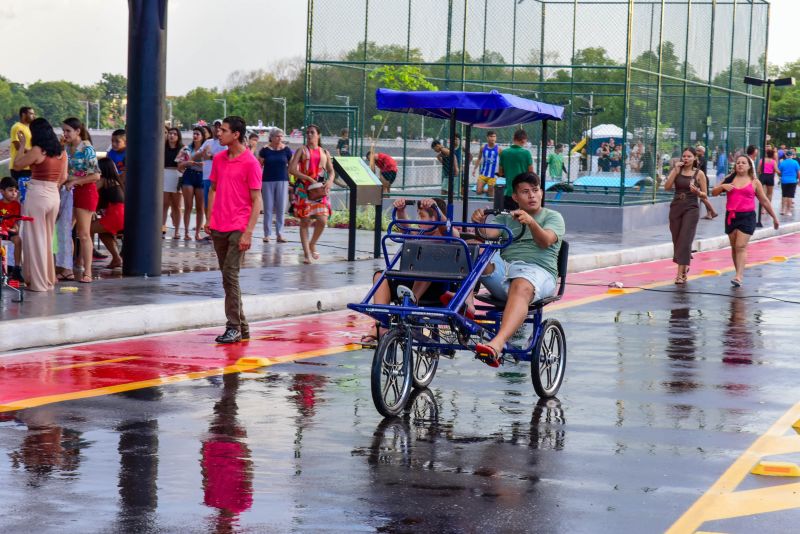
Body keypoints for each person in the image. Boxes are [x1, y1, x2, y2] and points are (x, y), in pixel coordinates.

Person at [470, 172, 565, 365]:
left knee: (521, 284)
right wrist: (479, 224)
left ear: (541, 193)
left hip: (539, 273)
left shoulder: (553, 217)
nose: (531, 195)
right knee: (472, 247)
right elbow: (487, 235)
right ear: (515, 197)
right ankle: (467, 305)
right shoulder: (507, 218)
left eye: (535, 190)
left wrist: (531, 222)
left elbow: (545, 241)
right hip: (506, 271)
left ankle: (497, 343)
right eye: (525, 192)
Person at [361, 197, 457, 344]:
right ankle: (380, 323)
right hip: (410, 283)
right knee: (380, 276)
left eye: (422, 216)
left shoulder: (447, 236)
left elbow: (450, 231)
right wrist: (401, 211)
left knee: (427, 264)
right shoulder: (419, 234)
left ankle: (411, 306)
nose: (419, 220)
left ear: (436, 217)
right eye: (418, 215)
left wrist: (437, 211)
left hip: (436, 288)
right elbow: (404, 227)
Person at [204, 116, 263, 344]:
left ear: (236, 134)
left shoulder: (251, 163)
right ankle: (243, 327)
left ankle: (234, 327)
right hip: (219, 225)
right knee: (227, 277)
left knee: (230, 274)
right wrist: (209, 218)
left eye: (224, 130)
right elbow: (213, 190)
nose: (219, 134)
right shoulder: (219, 159)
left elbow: (257, 200)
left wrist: (248, 232)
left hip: (239, 226)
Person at [10, 118, 66, 291]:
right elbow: (63, 177)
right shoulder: (61, 151)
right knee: (47, 239)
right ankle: (48, 280)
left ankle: (38, 283)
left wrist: (21, 146)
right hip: (53, 195)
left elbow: (18, 165)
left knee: (35, 239)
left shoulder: (37, 149)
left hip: (37, 195)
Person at [712, 155, 779, 287]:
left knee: (740, 246)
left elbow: (764, 200)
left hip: (747, 217)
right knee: (733, 247)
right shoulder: (729, 179)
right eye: (738, 163)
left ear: (749, 166)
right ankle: (738, 272)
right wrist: (723, 187)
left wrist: (774, 218)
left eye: (743, 163)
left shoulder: (755, 182)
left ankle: (739, 276)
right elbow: (714, 192)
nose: (740, 165)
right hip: (731, 216)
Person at [288, 124, 334, 264]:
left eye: (312, 132)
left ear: (318, 135)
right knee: (305, 221)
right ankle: (307, 253)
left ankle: (312, 243)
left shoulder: (324, 152)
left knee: (322, 219)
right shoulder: (302, 150)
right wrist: (307, 178)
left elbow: (331, 171)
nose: (309, 135)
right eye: (307, 133)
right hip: (304, 190)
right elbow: (291, 169)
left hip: (319, 190)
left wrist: (330, 181)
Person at [62, 117, 100, 283]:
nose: (65, 134)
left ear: (78, 131)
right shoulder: (68, 147)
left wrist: (74, 181)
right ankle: (67, 268)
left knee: (83, 233)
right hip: (71, 191)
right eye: (63, 130)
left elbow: (96, 175)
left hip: (85, 191)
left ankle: (88, 272)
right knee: (64, 230)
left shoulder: (87, 148)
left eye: (68, 131)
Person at [664, 147, 709, 284]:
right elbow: (666, 187)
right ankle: (685, 261)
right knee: (678, 240)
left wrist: (698, 192)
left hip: (691, 208)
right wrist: (674, 171)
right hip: (676, 207)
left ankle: (680, 274)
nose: (686, 159)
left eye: (689, 156)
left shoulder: (699, 174)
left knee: (684, 238)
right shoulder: (677, 171)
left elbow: (705, 194)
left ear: (695, 158)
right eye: (684, 156)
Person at [257, 128, 292, 243]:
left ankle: (280, 234)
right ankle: (267, 234)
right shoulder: (265, 150)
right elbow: (258, 166)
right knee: (268, 208)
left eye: (281, 136)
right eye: (277, 136)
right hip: (267, 181)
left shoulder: (287, 150)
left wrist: (291, 182)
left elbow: (291, 167)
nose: (280, 138)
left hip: (283, 180)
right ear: (271, 137)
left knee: (281, 208)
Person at [89, 158, 125, 270]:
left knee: (87, 229)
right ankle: (116, 258)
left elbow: (91, 191)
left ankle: (85, 258)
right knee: (103, 233)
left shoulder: (104, 180)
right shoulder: (115, 182)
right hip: (121, 216)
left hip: (115, 216)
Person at [177, 127, 206, 241]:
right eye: (194, 133)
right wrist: (187, 163)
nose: (195, 136)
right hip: (189, 175)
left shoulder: (206, 149)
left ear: (202, 136)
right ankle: (186, 232)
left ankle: (198, 232)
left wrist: (203, 164)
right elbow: (179, 167)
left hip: (201, 176)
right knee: (188, 206)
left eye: (197, 134)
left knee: (200, 207)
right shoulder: (186, 149)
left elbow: (212, 163)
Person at [498, 129, 533, 210]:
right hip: (524, 194)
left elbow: (500, 173)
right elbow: (531, 173)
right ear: (524, 140)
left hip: (509, 193)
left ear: (514, 138)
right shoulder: (526, 153)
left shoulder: (504, 153)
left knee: (509, 218)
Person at [9, 106, 36, 203]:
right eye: (31, 113)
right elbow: (17, 145)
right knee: (17, 194)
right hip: (19, 167)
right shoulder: (17, 127)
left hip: (29, 166)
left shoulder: (30, 128)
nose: (34, 116)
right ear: (24, 115)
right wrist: (33, 153)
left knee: (29, 196)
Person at [0, 177, 23, 281]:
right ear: (2, 191)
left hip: (9, 232)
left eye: (15, 191)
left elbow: (16, 226)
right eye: (10, 190)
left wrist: (12, 230)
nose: (14, 193)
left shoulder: (16, 205)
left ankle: (17, 268)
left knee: (18, 240)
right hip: (0, 231)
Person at [162, 127, 183, 239]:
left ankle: (177, 231)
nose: (171, 136)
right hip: (165, 174)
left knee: (177, 206)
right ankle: (162, 227)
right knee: (164, 204)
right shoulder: (162, 147)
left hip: (176, 174)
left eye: (174, 134)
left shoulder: (182, 148)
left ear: (178, 136)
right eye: (170, 133)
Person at [473, 130, 501, 197]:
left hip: (493, 175)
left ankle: (492, 196)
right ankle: (492, 191)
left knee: (490, 196)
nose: (493, 138)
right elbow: (479, 158)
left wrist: (501, 172)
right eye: (491, 136)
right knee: (478, 191)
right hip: (484, 173)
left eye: (494, 136)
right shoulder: (483, 148)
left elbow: (503, 161)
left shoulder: (499, 149)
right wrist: (474, 169)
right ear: (487, 137)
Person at [694, 146, 718, 220]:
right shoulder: (700, 158)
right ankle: (709, 213)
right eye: (696, 150)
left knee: (703, 197)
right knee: (703, 197)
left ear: (702, 152)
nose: (696, 151)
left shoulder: (701, 159)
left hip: (702, 180)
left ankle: (712, 212)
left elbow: (697, 166)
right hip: (701, 180)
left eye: (698, 150)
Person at [757, 147, 780, 217]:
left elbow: (758, 170)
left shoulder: (762, 160)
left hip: (763, 176)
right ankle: (768, 208)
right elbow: (776, 170)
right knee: (769, 194)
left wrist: (761, 173)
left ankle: (762, 209)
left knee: (762, 193)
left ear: (766, 154)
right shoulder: (773, 162)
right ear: (773, 155)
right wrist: (781, 173)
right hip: (770, 177)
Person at [777, 150, 799, 216]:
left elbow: (779, 172)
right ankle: (788, 211)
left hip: (784, 181)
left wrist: (781, 176)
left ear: (786, 155)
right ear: (792, 155)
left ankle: (782, 210)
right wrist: (798, 180)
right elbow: (798, 172)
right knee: (790, 196)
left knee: (784, 195)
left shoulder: (783, 163)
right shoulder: (795, 162)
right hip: (793, 181)